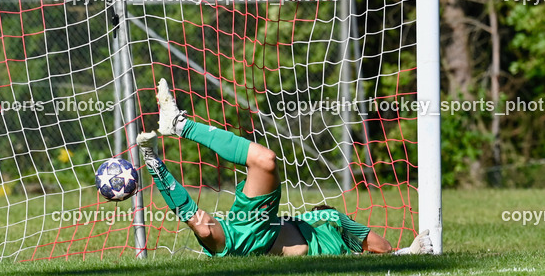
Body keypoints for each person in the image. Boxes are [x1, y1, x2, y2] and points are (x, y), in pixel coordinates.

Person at [128, 79, 432, 257]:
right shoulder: (328, 218)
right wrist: (408, 251)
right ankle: (178, 125)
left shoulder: (327, 221)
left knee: (206, 218)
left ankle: (157, 157)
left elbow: (380, 249)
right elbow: (383, 249)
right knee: (265, 162)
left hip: (243, 235)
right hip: (251, 229)